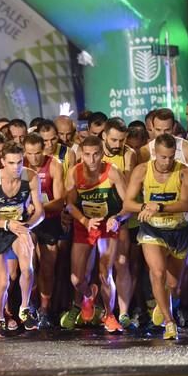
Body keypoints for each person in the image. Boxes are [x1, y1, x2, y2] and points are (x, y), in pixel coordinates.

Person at [124, 134, 188, 340]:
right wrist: (146, 207)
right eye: (163, 157)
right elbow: (128, 204)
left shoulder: (184, 172)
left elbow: (184, 203)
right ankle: (169, 322)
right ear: (155, 153)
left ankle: (164, 300)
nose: (167, 162)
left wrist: (160, 206)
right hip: (152, 230)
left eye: (171, 157)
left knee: (173, 285)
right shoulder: (142, 170)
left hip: (179, 230)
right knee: (157, 273)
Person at [60, 136, 129, 333]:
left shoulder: (112, 172)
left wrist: (117, 218)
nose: (91, 160)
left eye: (96, 154)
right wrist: (84, 221)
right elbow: (70, 204)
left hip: (107, 226)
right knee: (76, 279)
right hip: (85, 225)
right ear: (81, 154)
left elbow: (129, 205)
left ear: (102, 154)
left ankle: (109, 315)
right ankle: (89, 294)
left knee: (105, 274)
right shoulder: (75, 172)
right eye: (87, 155)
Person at [0, 142, 44, 336]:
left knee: (27, 268)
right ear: (3, 162)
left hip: (19, 227)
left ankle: (24, 308)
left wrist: (27, 227)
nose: (16, 167)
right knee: (3, 281)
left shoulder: (30, 177)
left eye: (19, 162)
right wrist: (6, 225)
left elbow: (40, 211)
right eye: (11, 163)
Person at [22, 133, 65, 329]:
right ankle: (28, 305)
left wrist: (39, 207)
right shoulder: (18, 165)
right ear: (25, 152)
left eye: (38, 153)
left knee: (48, 267)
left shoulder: (54, 165)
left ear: (44, 149)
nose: (34, 158)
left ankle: (44, 309)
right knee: (28, 266)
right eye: (30, 153)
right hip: (28, 222)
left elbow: (60, 200)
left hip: (49, 221)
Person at [100, 117, 137, 328]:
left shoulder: (129, 154)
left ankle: (123, 313)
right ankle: (105, 311)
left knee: (122, 263)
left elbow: (130, 190)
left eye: (121, 140)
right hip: (95, 216)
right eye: (113, 140)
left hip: (120, 214)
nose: (117, 145)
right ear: (104, 136)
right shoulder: (91, 151)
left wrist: (121, 215)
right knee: (101, 267)